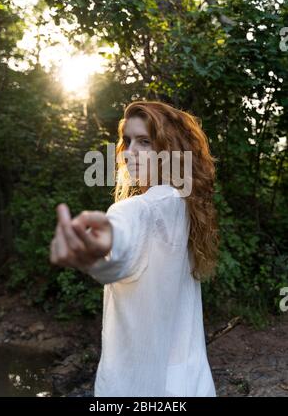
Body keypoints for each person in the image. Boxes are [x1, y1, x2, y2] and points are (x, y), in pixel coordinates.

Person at [50, 100, 220, 397]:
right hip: (189, 383)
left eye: (145, 142)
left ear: (169, 150)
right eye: (127, 142)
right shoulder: (183, 203)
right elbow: (123, 253)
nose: (130, 153)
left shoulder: (137, 209)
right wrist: (104, 252)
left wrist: (101, 252)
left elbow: (123, 244)